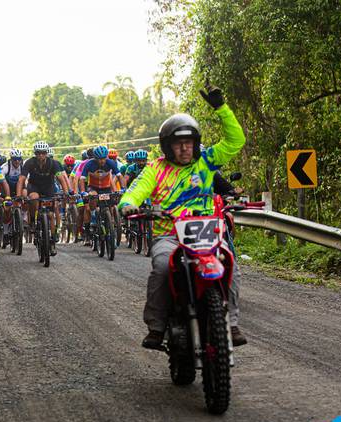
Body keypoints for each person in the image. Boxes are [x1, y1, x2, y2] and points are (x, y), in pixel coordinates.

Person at [119, 85, 248, 349]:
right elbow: (134, 192)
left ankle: (231, 324)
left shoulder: (206, 161)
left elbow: (236, 141)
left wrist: (221, 108)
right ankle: (156, 327)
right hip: (169, 235)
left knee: (229, 263)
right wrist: (128, 205)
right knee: (162, 267)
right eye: (178, 144)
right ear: (168, 146)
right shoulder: (155, 169)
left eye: (189, 143)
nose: (184, 148)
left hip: (208, 233)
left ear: (196, 144)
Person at [17, 141, 71, 256]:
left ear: (46, 153)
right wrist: (18, 195)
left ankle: (52, 240)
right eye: (38, 153)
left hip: (48, 188)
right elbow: (21, 179)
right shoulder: (30, 163)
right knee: (33, 198)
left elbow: (61, 178)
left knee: (51, 215)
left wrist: (66, 193)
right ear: (35, 154)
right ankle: (32, 221)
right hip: (34, 187)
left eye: (43, 153)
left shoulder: (53, 163)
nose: (41, 155)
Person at [74, 145, 126, 240]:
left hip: (106, 188)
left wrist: (123, 188)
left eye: (104, 158)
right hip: (93, 187)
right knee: (92, 198)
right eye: (99, 159)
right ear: (95, 158)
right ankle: (93, 218)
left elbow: (119, 176)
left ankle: (110, 225)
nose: (102, 161)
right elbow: (82, 179)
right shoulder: (89, 164)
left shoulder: (110, 163)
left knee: (110, 207)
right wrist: (83, 192)